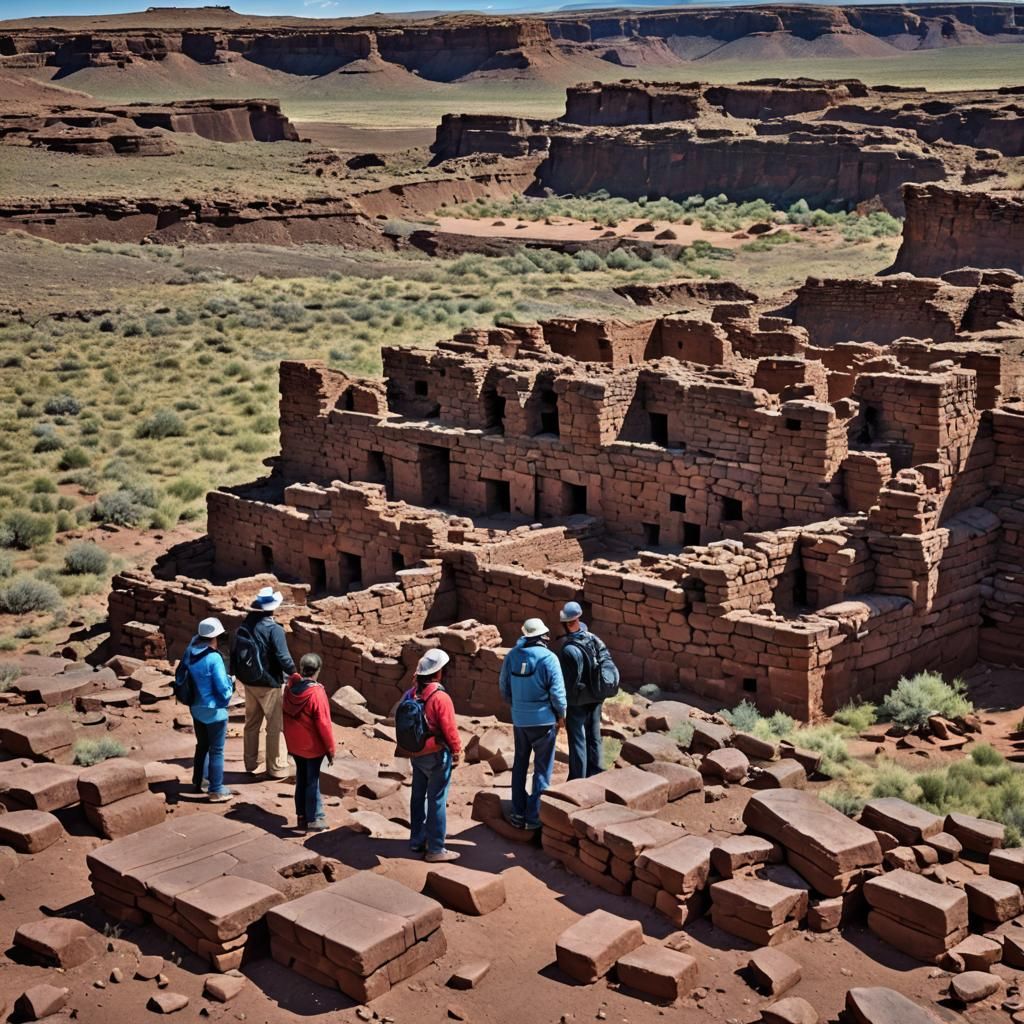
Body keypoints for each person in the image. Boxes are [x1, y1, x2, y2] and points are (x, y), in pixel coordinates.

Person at [499, 618, 566, 830]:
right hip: (544, 721)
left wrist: (517, 705)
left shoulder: (512, 655)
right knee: (542, 769)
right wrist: (560, 714)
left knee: (519, 765)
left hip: (520, 720)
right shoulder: (549, 658)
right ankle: (534, 817)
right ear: (543, 637)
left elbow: (503, 687)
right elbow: (557, 693)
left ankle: (518, 813)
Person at [397, 649, 462, 864]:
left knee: (418, 796)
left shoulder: (411, 694)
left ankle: (417, 839)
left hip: (417, 753)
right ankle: (435, 848)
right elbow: (450, 729)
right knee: (437, 800)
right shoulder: (440, 697)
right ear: (438, 673)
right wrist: (456, 751)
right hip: (436, 754)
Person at [232, 586, 296, 780]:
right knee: (275, 726)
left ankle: (250, 762)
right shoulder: (274, 629)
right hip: (269, 683)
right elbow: (283, 658)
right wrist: (294, 674)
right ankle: (277, 767)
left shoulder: (246, 624)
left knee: (252, 722)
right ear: (273, 608)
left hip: (249, 681)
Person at [182, 617, 236, 804]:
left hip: (196, 708)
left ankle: (200, 781)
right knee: (217, 750)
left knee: (202, 746)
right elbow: (222, 688)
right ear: (215, 637)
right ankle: (216, 790)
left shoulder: (190, 652)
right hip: (214, 711)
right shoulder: (214, 658)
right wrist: (231, 684)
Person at [283, 652, 335, 833]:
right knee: (312, 781)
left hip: (295, 745)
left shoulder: (289, 689)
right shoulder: (316, 693)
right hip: (312, 746)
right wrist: (330, 748)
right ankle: (314, 820)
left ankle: (302, 816)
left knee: (302, 779)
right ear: (317, 670)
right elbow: (324, 724)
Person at [558, 601, 606, 781]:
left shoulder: (567, 648)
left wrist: (562, 706)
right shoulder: (593, 640)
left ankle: (578, 779)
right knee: (594, 736)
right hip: (596, 696)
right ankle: (597, 773)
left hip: (577, 701)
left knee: (578, 739)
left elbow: (565, 680)